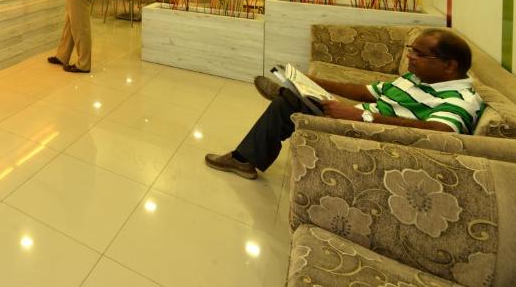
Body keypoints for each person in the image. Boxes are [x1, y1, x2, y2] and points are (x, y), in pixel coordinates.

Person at [205, 29, 484, 179]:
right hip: (362, 119)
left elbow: (441, 133)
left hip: (372, 135)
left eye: (419, 54)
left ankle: (249, 149)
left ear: (449, 65)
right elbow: (366, 91)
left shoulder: (460, 99)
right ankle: (286, 100)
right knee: (288, 103)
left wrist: (362, 118)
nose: (410, 58)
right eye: (411, 51)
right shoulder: (417, 78)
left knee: (285, 106)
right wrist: (314, 81)